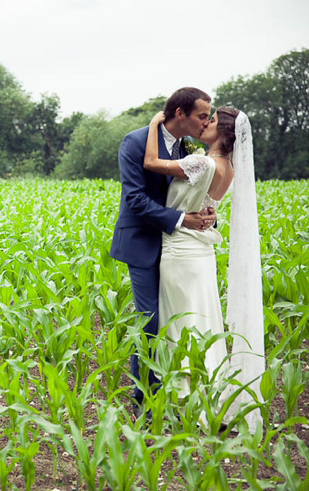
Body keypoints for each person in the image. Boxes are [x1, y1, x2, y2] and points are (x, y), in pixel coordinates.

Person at [144, 107, 264, 432]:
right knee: (204, 324)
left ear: (224, 133)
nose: (204, 123)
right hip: (201, 254)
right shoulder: (228, 168)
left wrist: (156, 122)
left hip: (181, 252)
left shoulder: (202, 163)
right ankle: (210, 399)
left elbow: (151, 164)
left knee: (179, 326)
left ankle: (187, 406)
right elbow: (204, 204)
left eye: (210, 121)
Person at [109, 87, 217, 419]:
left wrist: (209, 215)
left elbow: (194, 193)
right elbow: (135, 200)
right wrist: (185, 220)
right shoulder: (135, 141)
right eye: (201, 115)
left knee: (175, 320)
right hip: (143, 242)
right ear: (180, 114)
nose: (206, 121)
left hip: (178, 249)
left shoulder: (192, 148)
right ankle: (144, 403)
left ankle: (175, 392)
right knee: (150, 321)